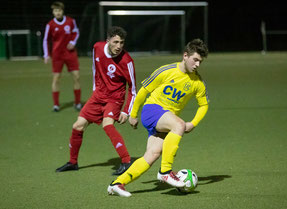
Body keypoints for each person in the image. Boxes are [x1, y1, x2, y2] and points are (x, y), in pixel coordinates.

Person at [107, 39, 209, 197]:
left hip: (165, 119)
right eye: (195, 60)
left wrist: (194, 123)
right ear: (185, 55)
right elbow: (143, 91)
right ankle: (165, 171)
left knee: (152, 154)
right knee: (179, 125)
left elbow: (204, 105)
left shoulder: (198, 82)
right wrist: (133, 114)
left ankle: (117, 184)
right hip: (152, 110)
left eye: (200, 62)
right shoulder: (166, 70)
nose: (197, 65)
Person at [56, 26, 136, 175]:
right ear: (108, 41)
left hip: (115, 98)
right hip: (98, 95)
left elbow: (133, 89)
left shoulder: (127, 61)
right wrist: (95, 89)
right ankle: (73, 162)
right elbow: (95, 68)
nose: (119, 46)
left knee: (107, 126)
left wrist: (127, 111)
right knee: (78, 126)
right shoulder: (97, 48)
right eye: (116, 42)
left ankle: (126, 161)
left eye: (122, 43)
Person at [43, 1, 82, 112]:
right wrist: (46, 54)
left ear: (62, 11)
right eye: (55, 11)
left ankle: (78, 103)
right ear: (53, 12)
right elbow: (46, 40)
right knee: (56, 79)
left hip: (70, 54)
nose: (57, 13)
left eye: (59, 10)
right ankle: (56, 105)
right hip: (57, 55)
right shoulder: (50, 25)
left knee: (77, 77)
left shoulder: (71, 21)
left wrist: (73, 42)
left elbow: (76, 33)